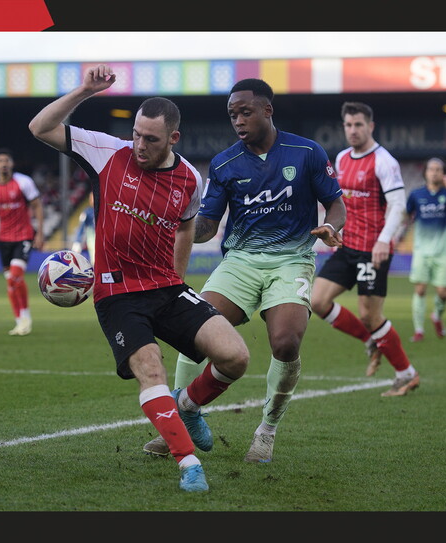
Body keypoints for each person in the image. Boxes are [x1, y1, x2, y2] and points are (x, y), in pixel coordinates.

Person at [28, 64, 250, 493]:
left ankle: (187, 407)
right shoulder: (108, 152)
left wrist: (179, 277)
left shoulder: (189, 177)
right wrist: (85, 91)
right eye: (136, 134)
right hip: (117, 293)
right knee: (151, 370)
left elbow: (186, 227)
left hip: (166, 288)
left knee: (235, 357)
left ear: (173, 139)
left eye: (151, 138)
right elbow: (40, 127)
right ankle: (187, 463)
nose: (140, 145)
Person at [143, 78, 346, 463]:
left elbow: (336, 204)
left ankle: (266, 430)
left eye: (245, 112)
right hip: (239, 261)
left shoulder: (307, 152)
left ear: (267, 110)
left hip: (292, 260)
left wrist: (332, 228)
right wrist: (176, 224)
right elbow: (205, 225)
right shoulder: (224, 163)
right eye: (232, 114)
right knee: (195, 331)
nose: (237, 120)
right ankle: (182, 419)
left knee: (286, 342)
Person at [309, 101, 421, 397]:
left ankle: (406, 373)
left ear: (370, 126)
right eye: (348, 125)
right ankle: (371, 341)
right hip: (347, 246)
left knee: (371, 315)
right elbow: (339, 202)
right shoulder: (342, 158)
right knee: (317, 301)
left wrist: (385, 240)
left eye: (359, 124)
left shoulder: (384, 161)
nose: (353, 130)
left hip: (374, 249)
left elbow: (398, 205)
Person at [0, 148, 46, 336]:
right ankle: (19, 320)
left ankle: (26, 317)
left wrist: (40, 233)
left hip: (23, 236)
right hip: (3, 239)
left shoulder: (24, 182)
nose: (4, 164)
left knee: (15, 276)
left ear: (11, 164)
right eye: (0, 161)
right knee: (10, 283)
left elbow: (37, 205)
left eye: (7, 160)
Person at [405, 157, 446, 341]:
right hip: (421, 251)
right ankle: (419, 330)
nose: (435, 172)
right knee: (420, 290)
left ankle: (437, 316)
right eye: (431, 169)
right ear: (425, 172)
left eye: (439, 169)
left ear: (443, 173)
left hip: (441, 251)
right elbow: (406, 216)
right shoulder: (416, 194)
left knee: (443, 293)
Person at [71, 194, 96, 264]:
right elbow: (82, 227)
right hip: (93, 236)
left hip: (103, 236)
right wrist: (78, 241)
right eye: (92, 198)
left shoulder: (103, 210)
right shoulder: (87, 212)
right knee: (95, 258)